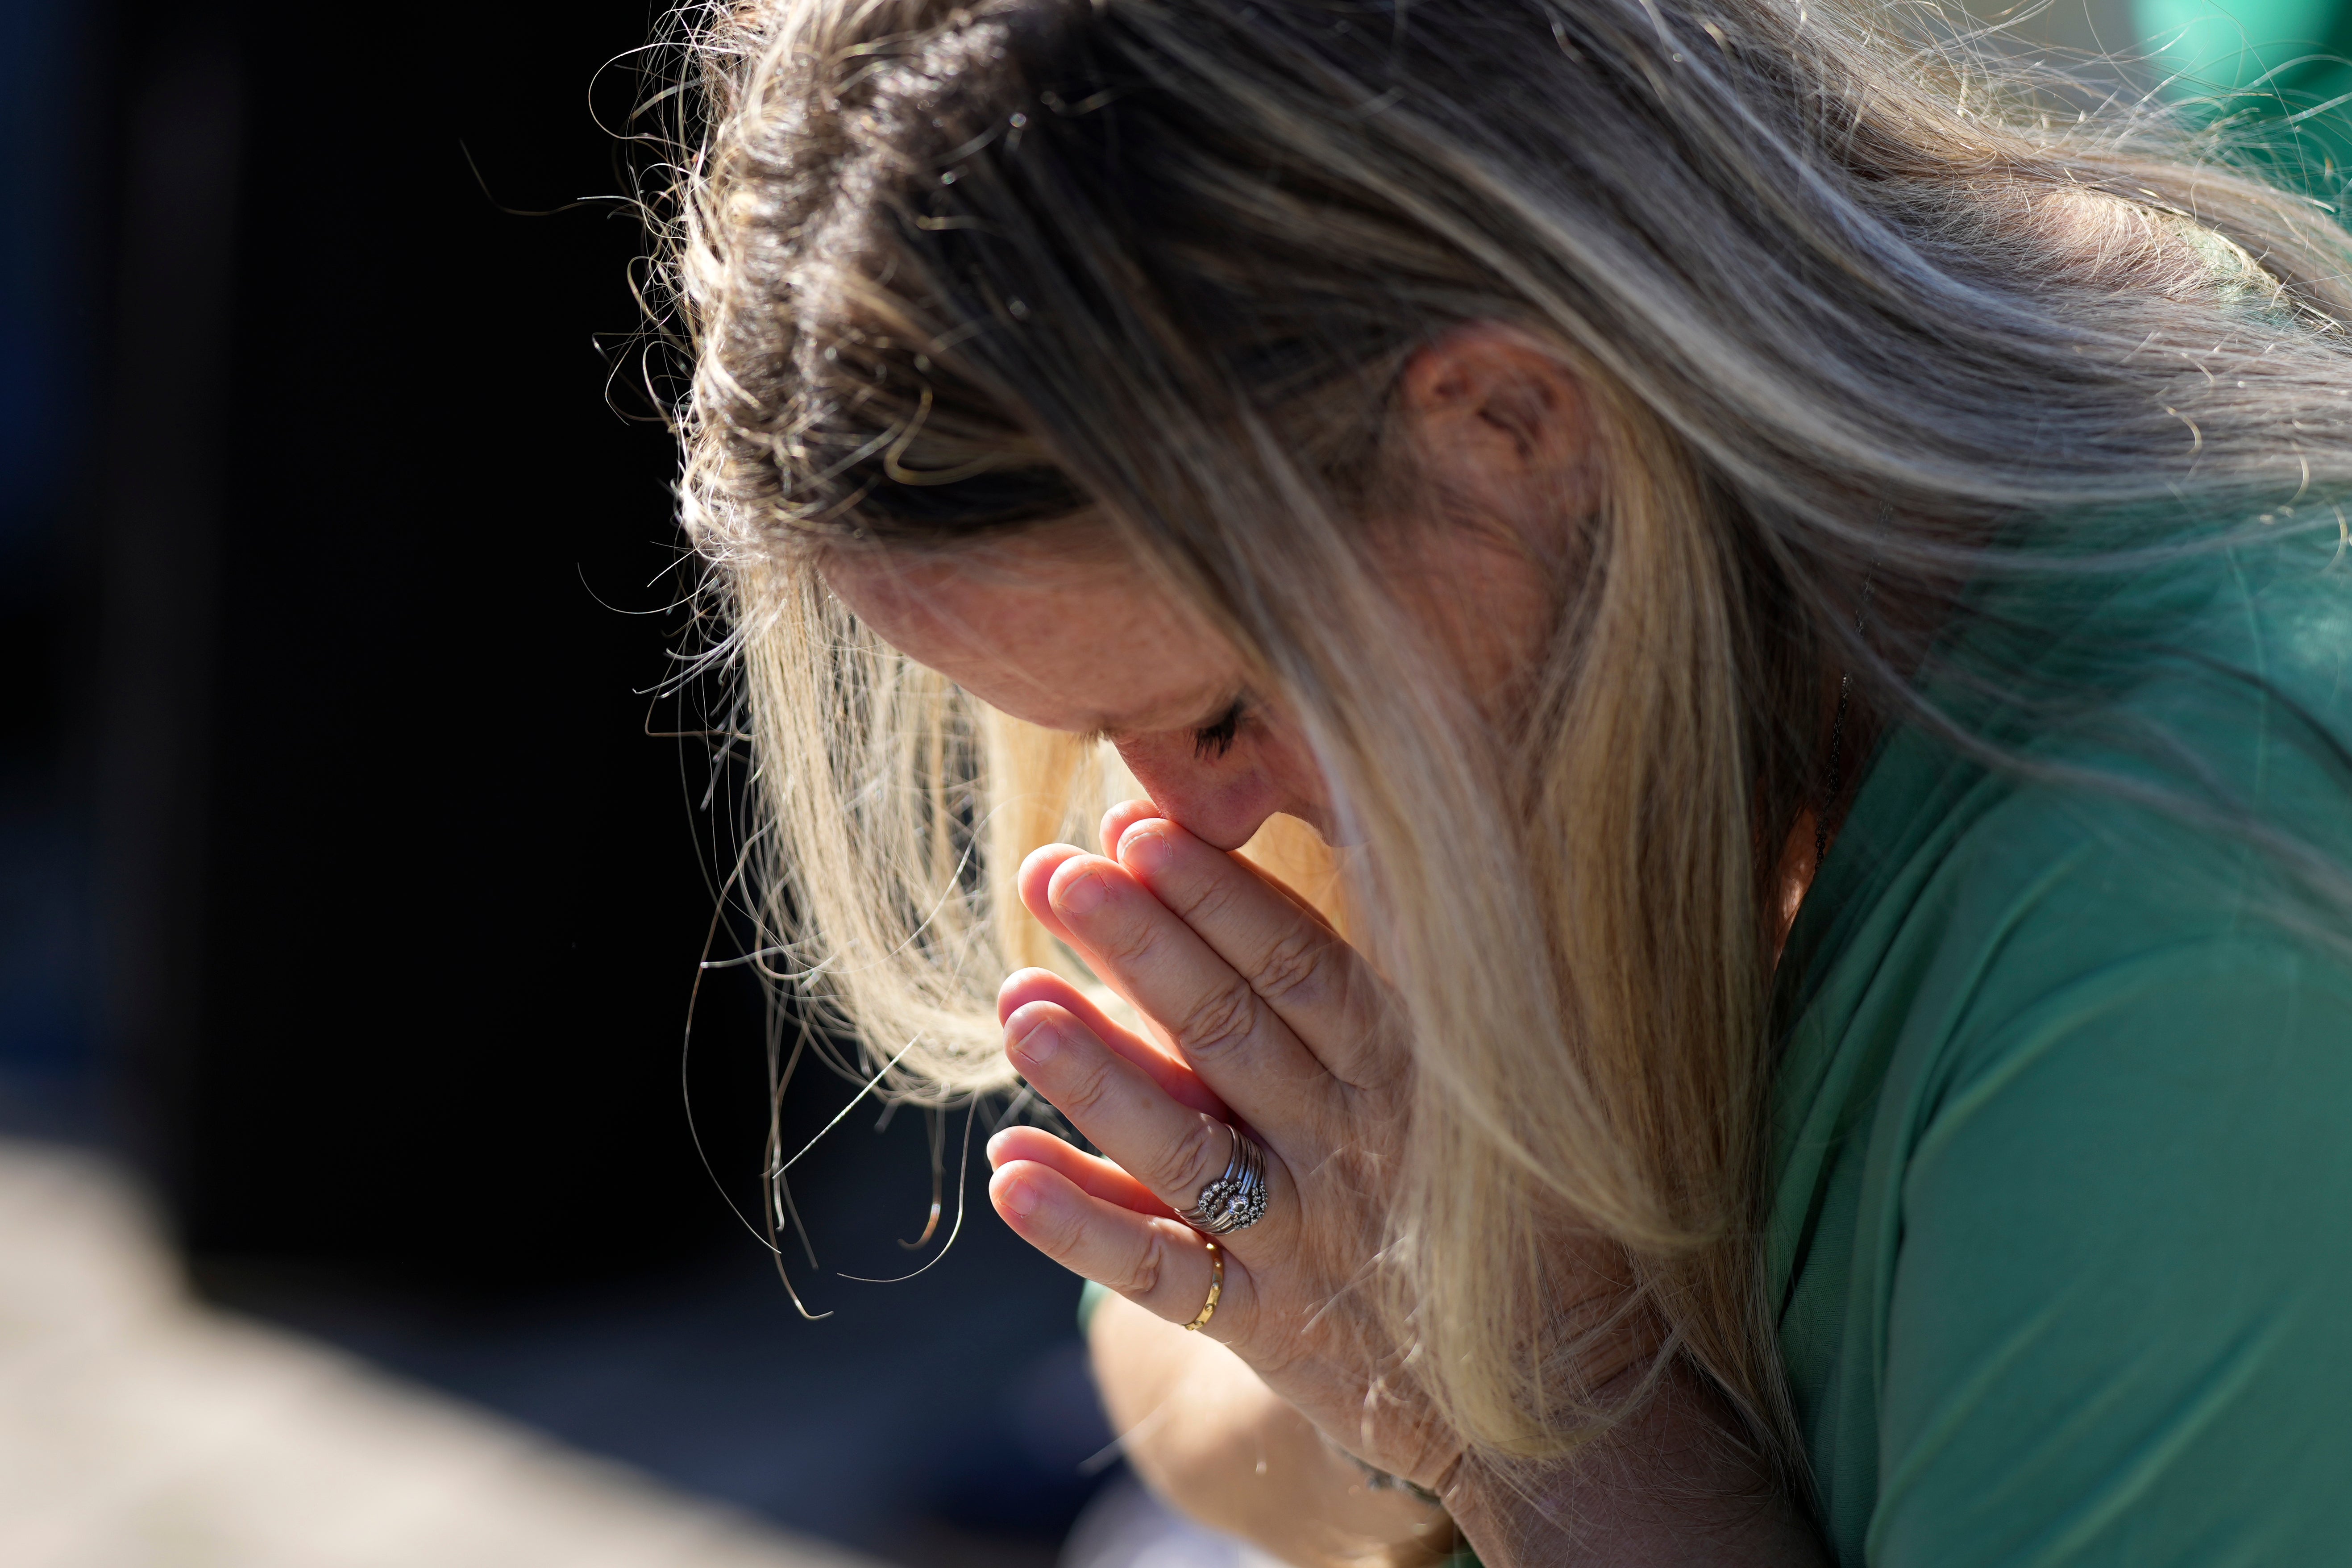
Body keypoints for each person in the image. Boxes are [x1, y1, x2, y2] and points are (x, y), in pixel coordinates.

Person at [652, 0, 2352, 1560]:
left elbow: (1295, 1378)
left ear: (1508, 428)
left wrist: (1526, 1402)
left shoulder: (2188, 935)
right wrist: (1382, 1337)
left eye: (1227, 709)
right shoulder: (1519, 642)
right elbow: (1164, 1358)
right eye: (1102, 734)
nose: (1180, 820)